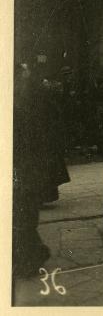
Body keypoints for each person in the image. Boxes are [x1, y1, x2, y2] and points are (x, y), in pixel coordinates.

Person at [13, 63, 50, 277]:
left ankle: (32, 255)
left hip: (25, 164)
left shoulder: (28, 100)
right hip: (23, 163)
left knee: (22, 212)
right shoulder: (20, 98)